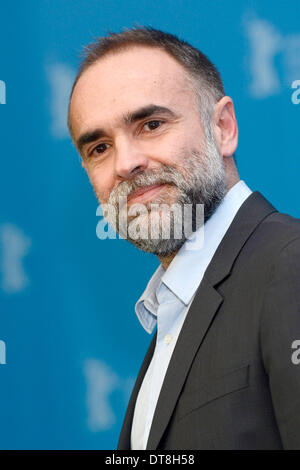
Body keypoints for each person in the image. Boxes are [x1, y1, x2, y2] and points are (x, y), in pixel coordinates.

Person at [67, 27, 300, 450]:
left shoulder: (290, 266)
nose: (126, 163)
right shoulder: (174, 310)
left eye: (151, 124)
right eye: (99, 148)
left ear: (223, 128)